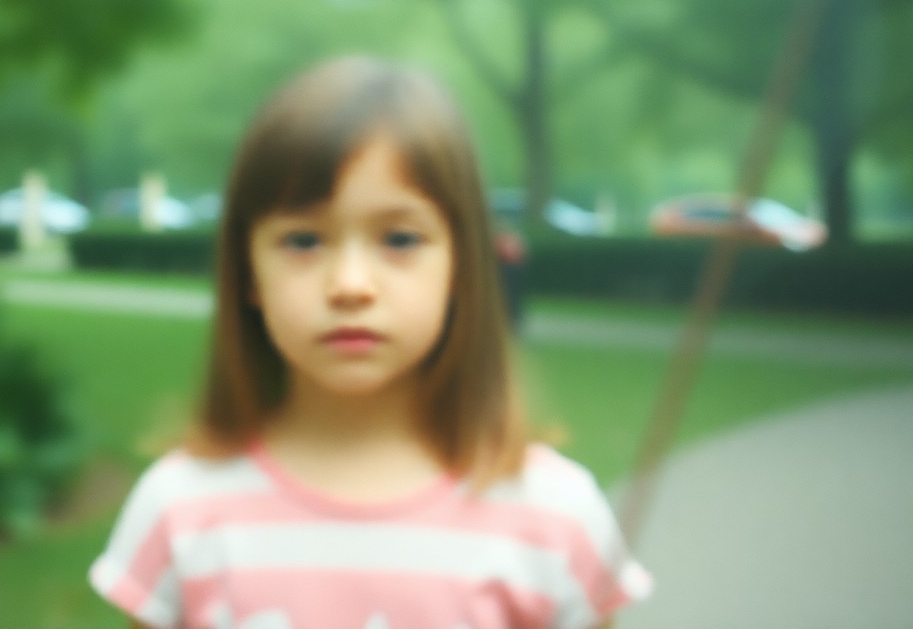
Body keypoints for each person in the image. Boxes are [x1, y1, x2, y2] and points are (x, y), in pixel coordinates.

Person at [89, 57, 651, 629]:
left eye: (400, 238)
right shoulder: (179, 511)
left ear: (460, 267)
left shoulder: (555, 518)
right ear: (248, 274)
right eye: (304, 240)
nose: (351, 285)